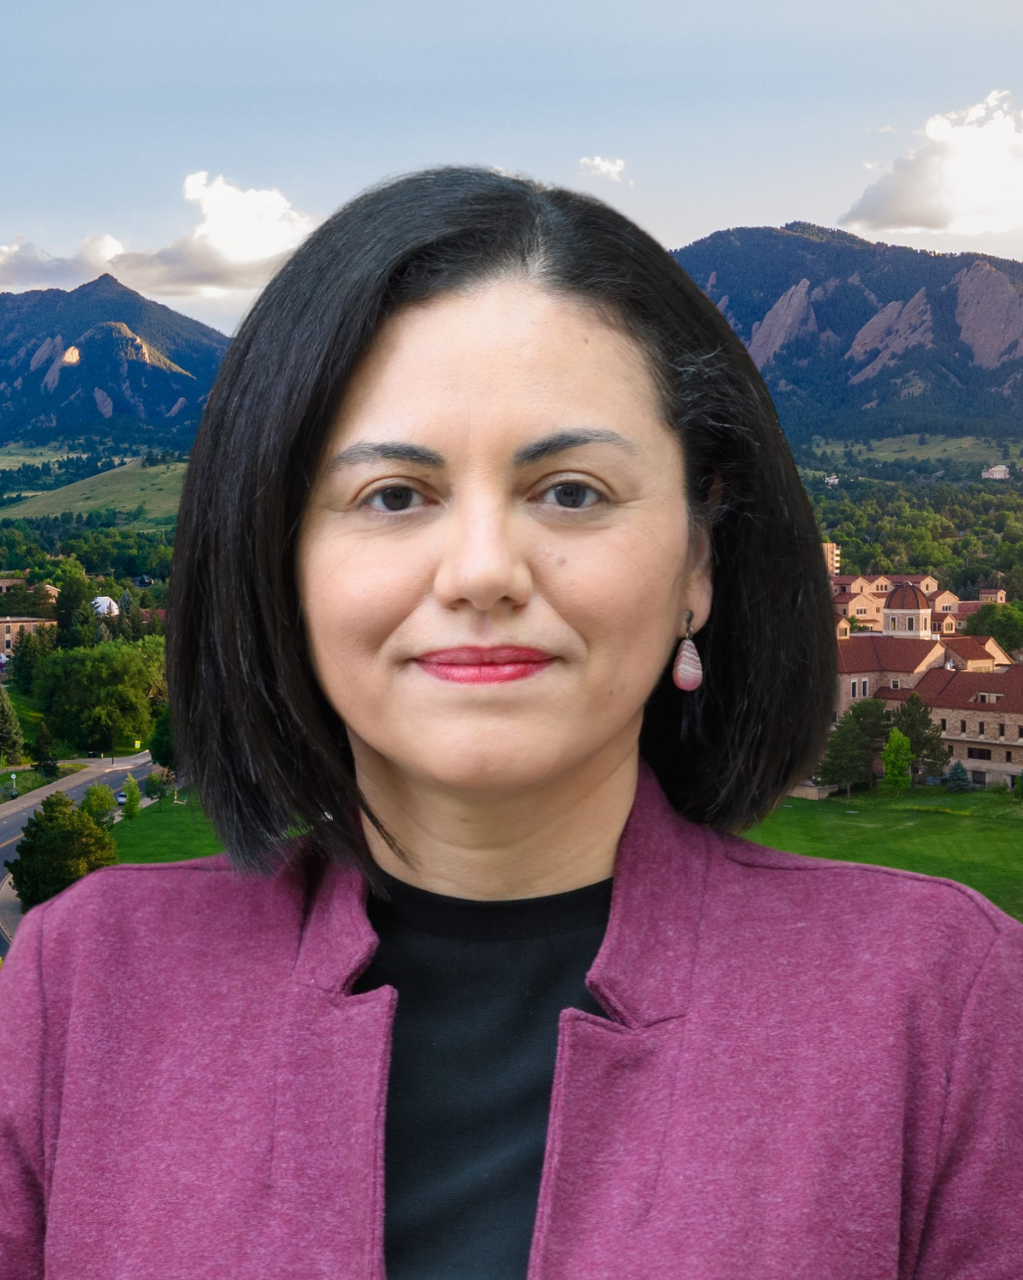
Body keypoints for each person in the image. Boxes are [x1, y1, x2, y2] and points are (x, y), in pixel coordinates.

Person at [0, 166, 1020, 1279]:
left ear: (698, 558)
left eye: (571, 490)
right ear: (281, 563)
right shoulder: (81, 986)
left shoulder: (947, 1006)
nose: (483, 569)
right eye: (393, 494)